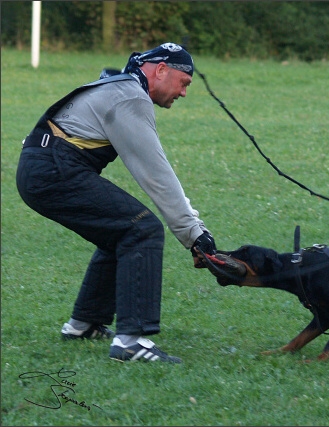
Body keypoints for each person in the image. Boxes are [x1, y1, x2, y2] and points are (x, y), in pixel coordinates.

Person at [16, 42, 217, 363]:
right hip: (53, 169)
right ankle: (130, 341)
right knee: (142, 229)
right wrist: (195, 235)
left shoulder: (124, 88)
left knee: (120, 230)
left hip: (42, 166)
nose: (183, 93)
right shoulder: (130, 97)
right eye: (184, 83)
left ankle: (84, 325)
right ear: (161, 70)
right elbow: (156, 175)